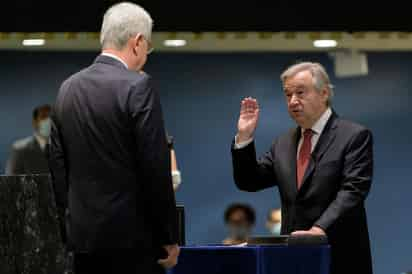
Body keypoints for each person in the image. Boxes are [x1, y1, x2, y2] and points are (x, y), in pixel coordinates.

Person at [48, 3, 179, 274]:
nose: (146, 54)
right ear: (138, 42)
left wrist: (69, 229)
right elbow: (154, 167)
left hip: (83, 242)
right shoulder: (138, 86)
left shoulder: (67, 89)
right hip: (133, 244)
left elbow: (58, 169)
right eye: (148, 47)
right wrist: (168, 236)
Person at [231, 62, 373, 274]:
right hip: (294, 261)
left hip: (339, 257)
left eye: (300, 92)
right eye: (288, 95)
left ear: (324, 93)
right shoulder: (284, 143)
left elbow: (353, 191)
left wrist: (318, 229)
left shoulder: (353, 136)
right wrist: (244, 137)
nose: (293, 101)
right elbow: (249, 181)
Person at [5, 104, 51, 175]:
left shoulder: (61, 148)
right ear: (34, 122)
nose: (48, 121)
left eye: (51, 118)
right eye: (43, 117)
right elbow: (11, 181)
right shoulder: (20, 149)